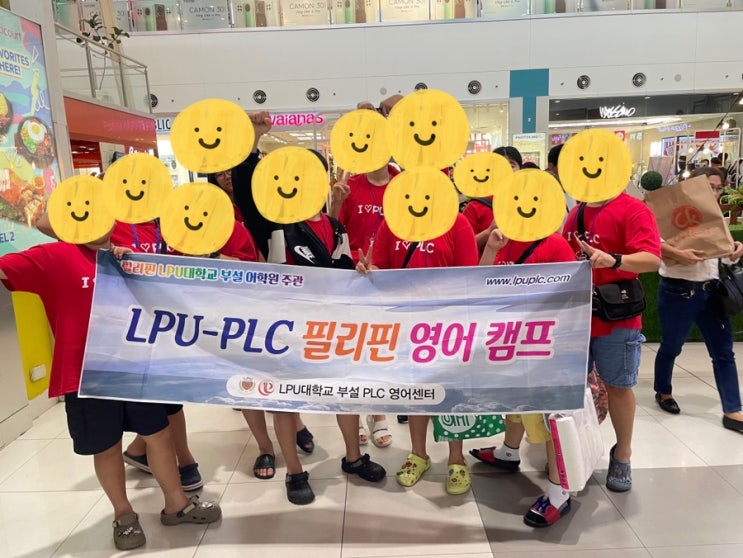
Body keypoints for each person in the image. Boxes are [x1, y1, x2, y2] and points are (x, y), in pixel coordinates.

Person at [0, 229, 221, 551]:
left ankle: (177, 504)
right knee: (106, 446)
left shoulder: (126, 255)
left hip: (135, 366)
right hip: (85, 374)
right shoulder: (54, 256)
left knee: (159, 435)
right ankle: (123, 514)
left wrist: (133, 264)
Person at [264, 149, 386, 505]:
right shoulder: (278, 228)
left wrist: (360, 270)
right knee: (285, 400)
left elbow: (345, 269)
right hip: (289, 327)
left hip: (332, 325)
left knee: (344, 390)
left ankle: (353, 457)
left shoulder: (335, 226)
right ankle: (293, 472)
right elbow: (273, 278)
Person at [356, 210, 478, 495]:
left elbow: (469, 275)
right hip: (407, 323)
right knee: (415, 389)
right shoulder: (392, 223)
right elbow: (382, 269)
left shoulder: (457, 222)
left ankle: (456, 459)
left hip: (447, 324)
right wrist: (369, 271)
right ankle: (418, 454)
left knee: (449, 391)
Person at [476, 225, 578, 526]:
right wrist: (491, 249)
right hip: (509, 339)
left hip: (544, 345)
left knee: (548, 416)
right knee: (513, 401)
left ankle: (559, 493)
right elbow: (481, 283)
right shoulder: (501, 240)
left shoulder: (554, 245)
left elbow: (573, 294)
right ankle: (509, 452)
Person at [563, 185, 661, 493]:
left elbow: (652, 259)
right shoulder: (577, 211)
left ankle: (623, 454)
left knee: (619, 385)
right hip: (576, 315)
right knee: (571, 389)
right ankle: (572, 450)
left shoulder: (633, 209)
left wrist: (614, 260)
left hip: (618, 314)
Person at [326, 99, 400, 447]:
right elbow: (332, 231)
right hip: (353, 277)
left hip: (390, 278)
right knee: (355, 350)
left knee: (382, 348)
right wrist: (336, 202)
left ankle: (379, 413)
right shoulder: (349, 185)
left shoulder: (404, 183)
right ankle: (356, 412)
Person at [653, 166, 743, 432]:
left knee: (724, 352)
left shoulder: (716, 219)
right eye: (709, 187)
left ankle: (732, 409)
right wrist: (677, 254)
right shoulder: (670, 212)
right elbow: (654, 244)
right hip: (678, 290)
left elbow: (725, 255)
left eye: (718, 188)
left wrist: (735, 250)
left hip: (712, 290)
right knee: (671, 346)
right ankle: (663, 391)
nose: (714, 192)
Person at [461, 146, 522, 253]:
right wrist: (488, 232)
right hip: (487, 263)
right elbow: (462, 247)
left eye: (512, 166)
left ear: (521, 170)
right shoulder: (475, 206)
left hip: (527, 264)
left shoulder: (532, 205)